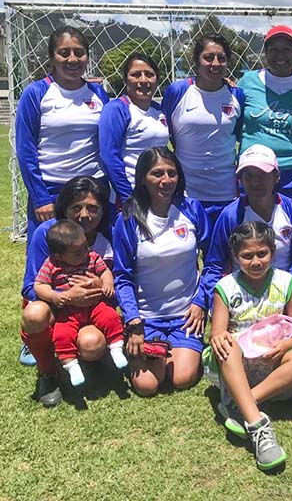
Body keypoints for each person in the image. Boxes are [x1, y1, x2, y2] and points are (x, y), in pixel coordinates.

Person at [209, 221, 292, 471]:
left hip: (273, 362)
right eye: (247, 256)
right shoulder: (225, 288)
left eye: (262, 254)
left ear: (273, 252)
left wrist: (287, 345)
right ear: (235, 257)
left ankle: (241, 404)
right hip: (238, 367)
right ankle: (258, 427)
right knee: (226, 344)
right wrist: (221, 339)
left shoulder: (286, 283)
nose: (255, 261)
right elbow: (217, 334)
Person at [113, 147, 211, 396]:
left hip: (186, 317)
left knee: (182, 379)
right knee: (147, 386)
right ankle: (146, 347)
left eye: (172, 173)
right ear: (143, 178)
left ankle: (175, 350)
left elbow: (213, 262)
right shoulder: (129, 218)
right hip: (146, 319)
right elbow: (122, 276)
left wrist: (200, 301)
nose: (166, 181)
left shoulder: (192, 210)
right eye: (157, 174)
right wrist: (133, 321)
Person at [20, 176, 115, 408]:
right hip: (59, 309)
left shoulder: (111, 234)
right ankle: (48, 374)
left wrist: (100, 288)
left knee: (91, 344)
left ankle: (93, 360)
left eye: (93, 208)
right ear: (64, 208)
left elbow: (123, 281)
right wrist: (65, 296)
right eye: (77, 208)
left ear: (103, 210)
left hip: (94, 310)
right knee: (34, 314)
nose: (84, 215)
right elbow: (30, 287)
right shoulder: (47, 232)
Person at [205, 144, 292, 325]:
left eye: (262, 175)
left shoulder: (291, 210)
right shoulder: (231, 215)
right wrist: (213, 299)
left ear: (276, 177)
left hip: (282, 283)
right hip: (242, 284)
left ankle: (288, 331)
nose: (255, 182)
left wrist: (286, 286)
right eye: (248, 175)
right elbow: (214, 264)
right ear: (240, 179)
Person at [15, 26, 109, 244]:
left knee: (94, 259)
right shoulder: (36, 93)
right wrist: (40, 198)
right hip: (51, 192)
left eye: (79, 52)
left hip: (92, 192)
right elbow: (25, 149)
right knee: (49, 261)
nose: (73, 59)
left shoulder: (98, 94)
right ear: (52, 58)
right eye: (64, 53)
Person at [162, 35, 245, 226]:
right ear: (196, 60)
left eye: (221, 58)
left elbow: (237, 134)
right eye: (208, 57)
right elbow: (170, 133)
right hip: (186, 192)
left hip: (226, 192)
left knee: (224, 253)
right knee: (187, 252)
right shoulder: (178, 91)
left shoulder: (236, 95)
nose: (215, 63)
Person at [238, 25, 292, 206]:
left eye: (286, 50)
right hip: (253, 168)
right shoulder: (247, 82)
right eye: (274, 50)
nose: (280, 55)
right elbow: (234, 123)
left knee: (288, 224)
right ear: (266, 54)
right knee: (250, 227)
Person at [34, 219, 127, 386]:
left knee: (110, 317)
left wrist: (107, 283)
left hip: (94, 304)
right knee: (61, 334)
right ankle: (71, 366)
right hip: (68, 311)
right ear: (59, 256)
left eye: (86, 247)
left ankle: (117, 348)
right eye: (77, 253)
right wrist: (55, 296)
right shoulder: (51, 265)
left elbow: (105, 271)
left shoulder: (91, 258)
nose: (85, 253)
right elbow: (39, 285)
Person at [99, 52, 169, 205]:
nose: (143, 80)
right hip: (130, 194)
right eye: (136, 75)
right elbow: (109, 156)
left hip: (158, 193)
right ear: (125, 79)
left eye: (149, 74)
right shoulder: (116, 109)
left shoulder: (159, 110)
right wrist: (126, 196)